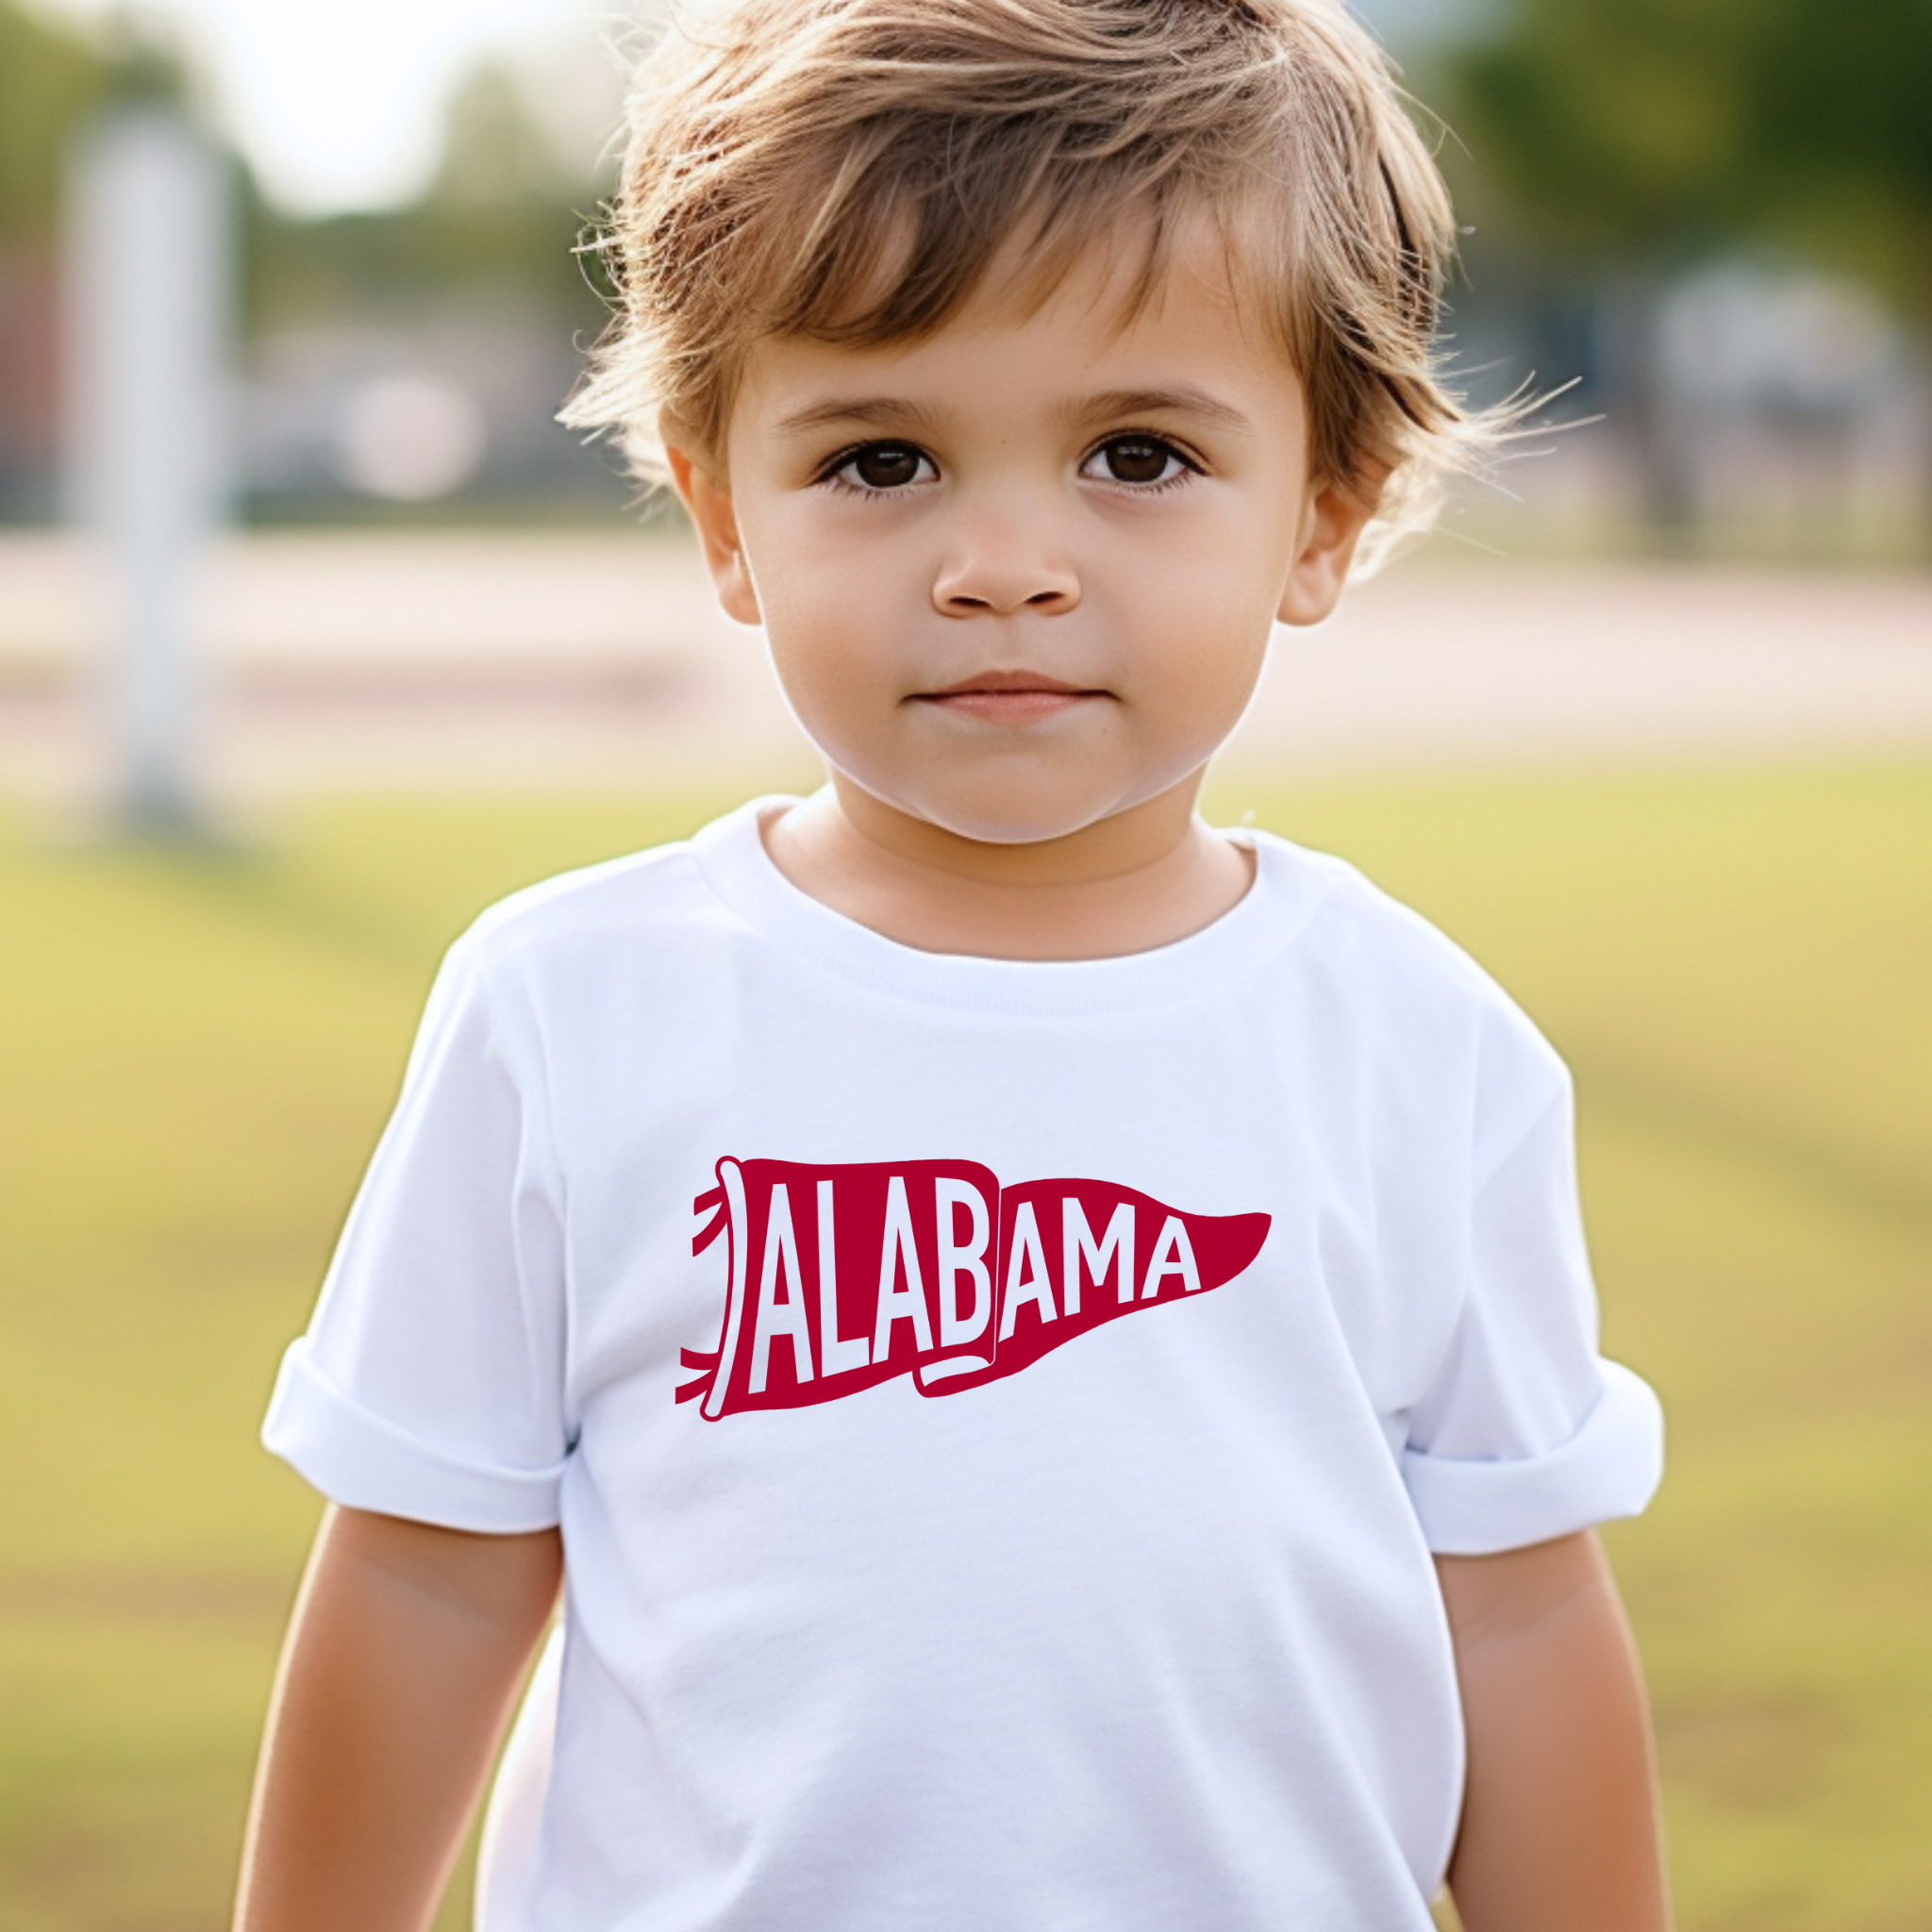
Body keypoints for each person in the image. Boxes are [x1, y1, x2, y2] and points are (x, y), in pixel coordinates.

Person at [234, 2, 1672, 1928]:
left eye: (1137, 453)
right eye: (884, 458)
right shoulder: (571, 1012)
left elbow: (1515, 1608)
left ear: (1322, 510)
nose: (1003, 561)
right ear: (721, 509)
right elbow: (424, 1566)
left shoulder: (1417, 1049)